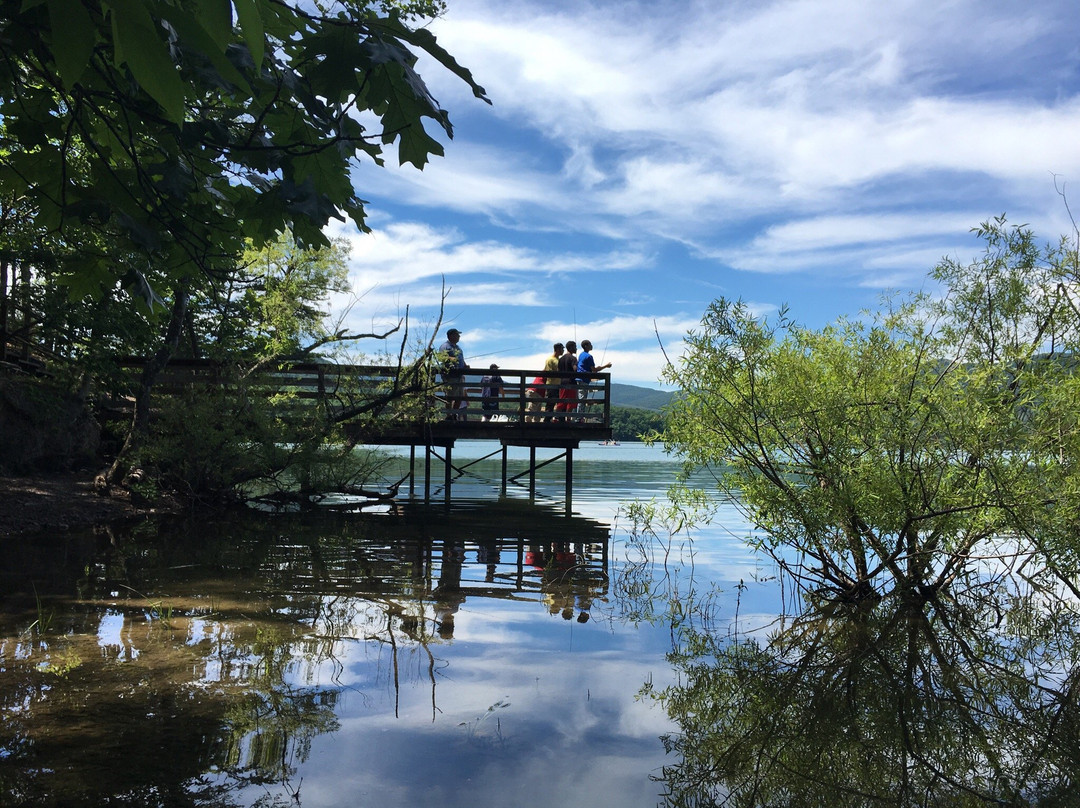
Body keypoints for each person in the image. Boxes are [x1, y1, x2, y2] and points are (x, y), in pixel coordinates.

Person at [576, 339, 612, 421]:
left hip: (579, 378)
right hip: (584, 379)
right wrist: (606, 366)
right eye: (590, 344)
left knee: (581, 398)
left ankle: (580, 416)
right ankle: (579, 417)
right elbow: (594, 370)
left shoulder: (581, 355)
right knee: (582, 399)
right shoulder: (589, 356)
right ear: (586, 346)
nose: (591, 346)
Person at [438, 327, 468, 420]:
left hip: (459, 375)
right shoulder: (445, 346)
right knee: (450, 397)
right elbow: (441, 357)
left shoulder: (458, 348)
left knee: (459, 397)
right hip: (450, 376)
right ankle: (449, 415)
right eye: (457, 335)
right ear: (451, 336)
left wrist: (465, 365)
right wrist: (452, 359)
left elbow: (461, 359)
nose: (459, 337)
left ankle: (454, 414)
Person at [536, 342, 564, 421]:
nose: (563, 350)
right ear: (558, 349)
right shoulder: (550, 359)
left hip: (559, 386)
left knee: (559, 404)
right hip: (551, 385)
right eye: (562, 349)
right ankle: (547, 420)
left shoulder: (559, 360)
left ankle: (558, 420)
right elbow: (549, 372)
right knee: (550, 404)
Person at [554, 340, 578, 419]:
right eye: (575, 347)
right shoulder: (573, 358)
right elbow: (575, 369)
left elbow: (558, 371)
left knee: (562, 401)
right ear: (570, 348)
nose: (576, 349)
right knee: (571, 402)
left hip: (562, 383)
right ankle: (568, 419)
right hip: (571, 383)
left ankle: (557, 417)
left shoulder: (561, 359)